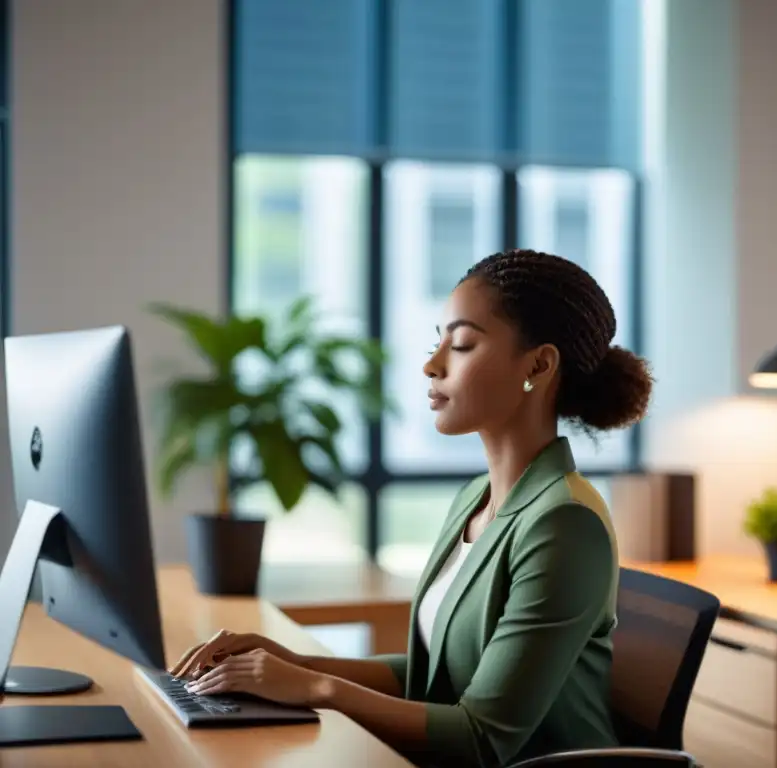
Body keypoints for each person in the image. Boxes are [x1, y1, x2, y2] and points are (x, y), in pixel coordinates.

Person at [170, 249, 654, 767]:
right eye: (438, 341)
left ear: (538, 365)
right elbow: (433, 677)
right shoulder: (476, 496)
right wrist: (287, 663)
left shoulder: (564, 522)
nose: (432, 364)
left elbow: (481, 740)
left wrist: (316, 687)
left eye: (462, 344)